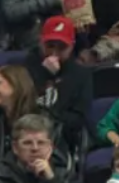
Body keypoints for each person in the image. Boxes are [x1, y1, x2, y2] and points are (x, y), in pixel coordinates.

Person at [22, 16, 92, 151]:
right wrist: (43, 74)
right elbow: (21, 105)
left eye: (62, 47)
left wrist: (52, 116)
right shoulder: (27, 68)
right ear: (41, 43)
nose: (54, 53)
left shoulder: (81, 75)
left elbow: (78, 118)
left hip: (62, 139)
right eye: (50, 46)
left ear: (72, 46)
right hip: (26, 134)